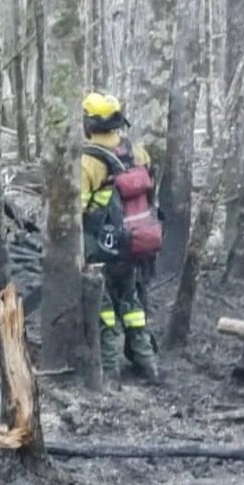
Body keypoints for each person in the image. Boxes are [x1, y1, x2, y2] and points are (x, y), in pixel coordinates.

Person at [80, 90, 162, 383]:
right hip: (134, 242)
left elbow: (80, 205)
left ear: (89, 122)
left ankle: (110, 370)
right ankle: (147, 363)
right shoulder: (136, 151)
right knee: (132, 304)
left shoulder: (87, 161)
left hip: (100, 245)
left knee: (104, 308)